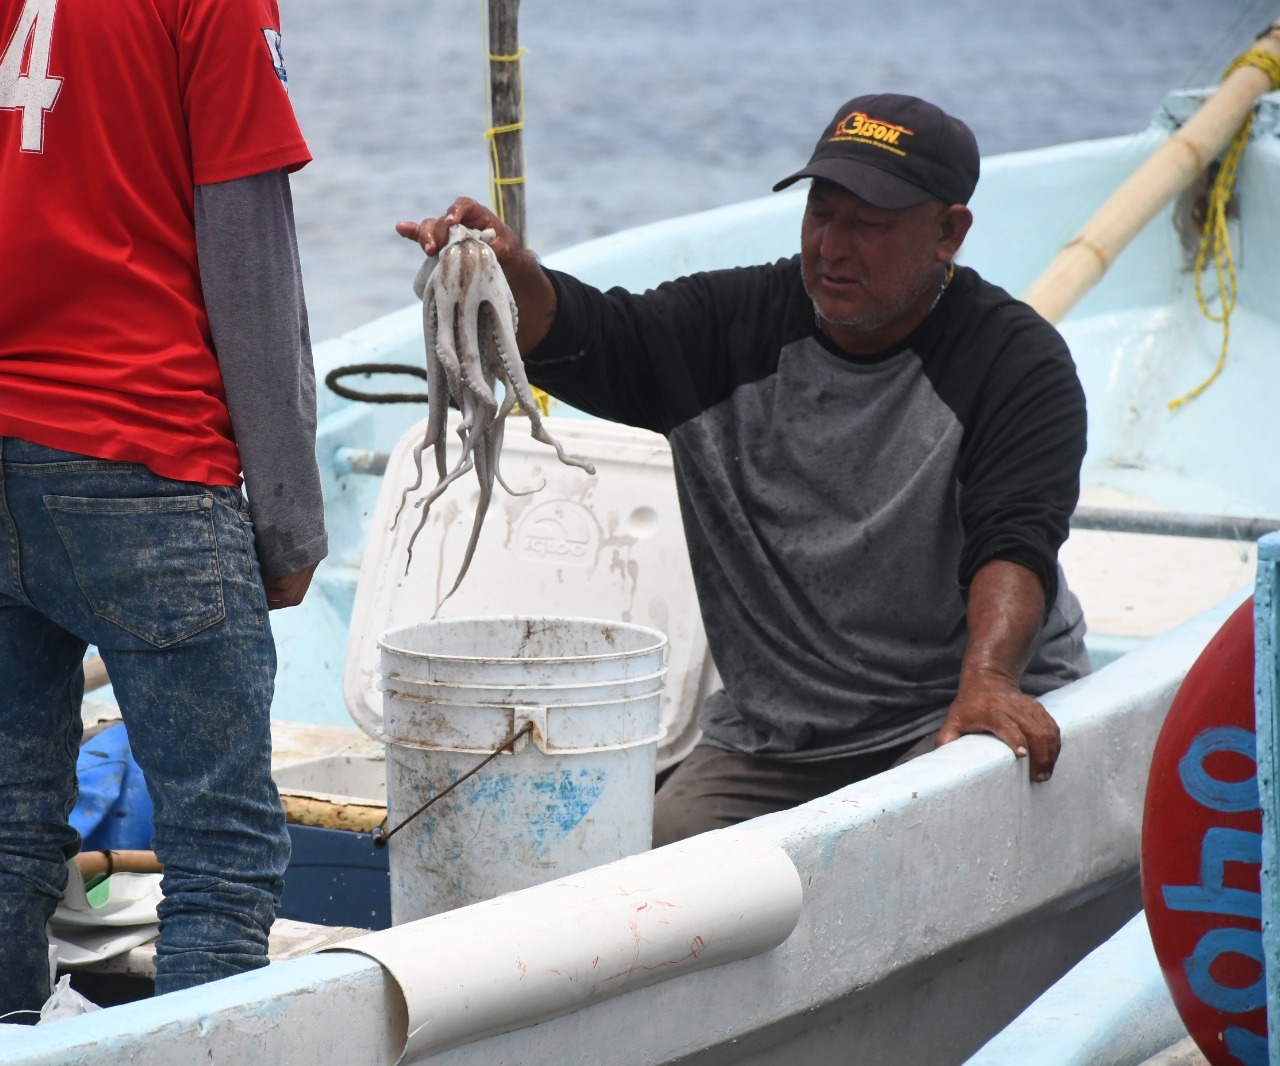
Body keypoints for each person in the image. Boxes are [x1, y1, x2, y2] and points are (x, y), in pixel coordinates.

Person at [398, 94, 1089, 846]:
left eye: (870, 224)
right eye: (822, 214)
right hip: (772, 739)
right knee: (647, 872)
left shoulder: (1017, 363)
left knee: (934, 840)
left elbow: (1015, 540)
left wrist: (989, 678)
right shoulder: (730, 328)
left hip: (954, 706)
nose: (834, 247)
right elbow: (586, 332)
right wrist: (503, 274)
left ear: (948, 232)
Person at [0, 0, 326, 1020]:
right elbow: (249, 265)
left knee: (4, 827)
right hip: (143, 454)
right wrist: (286, 514)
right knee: (220, 847)